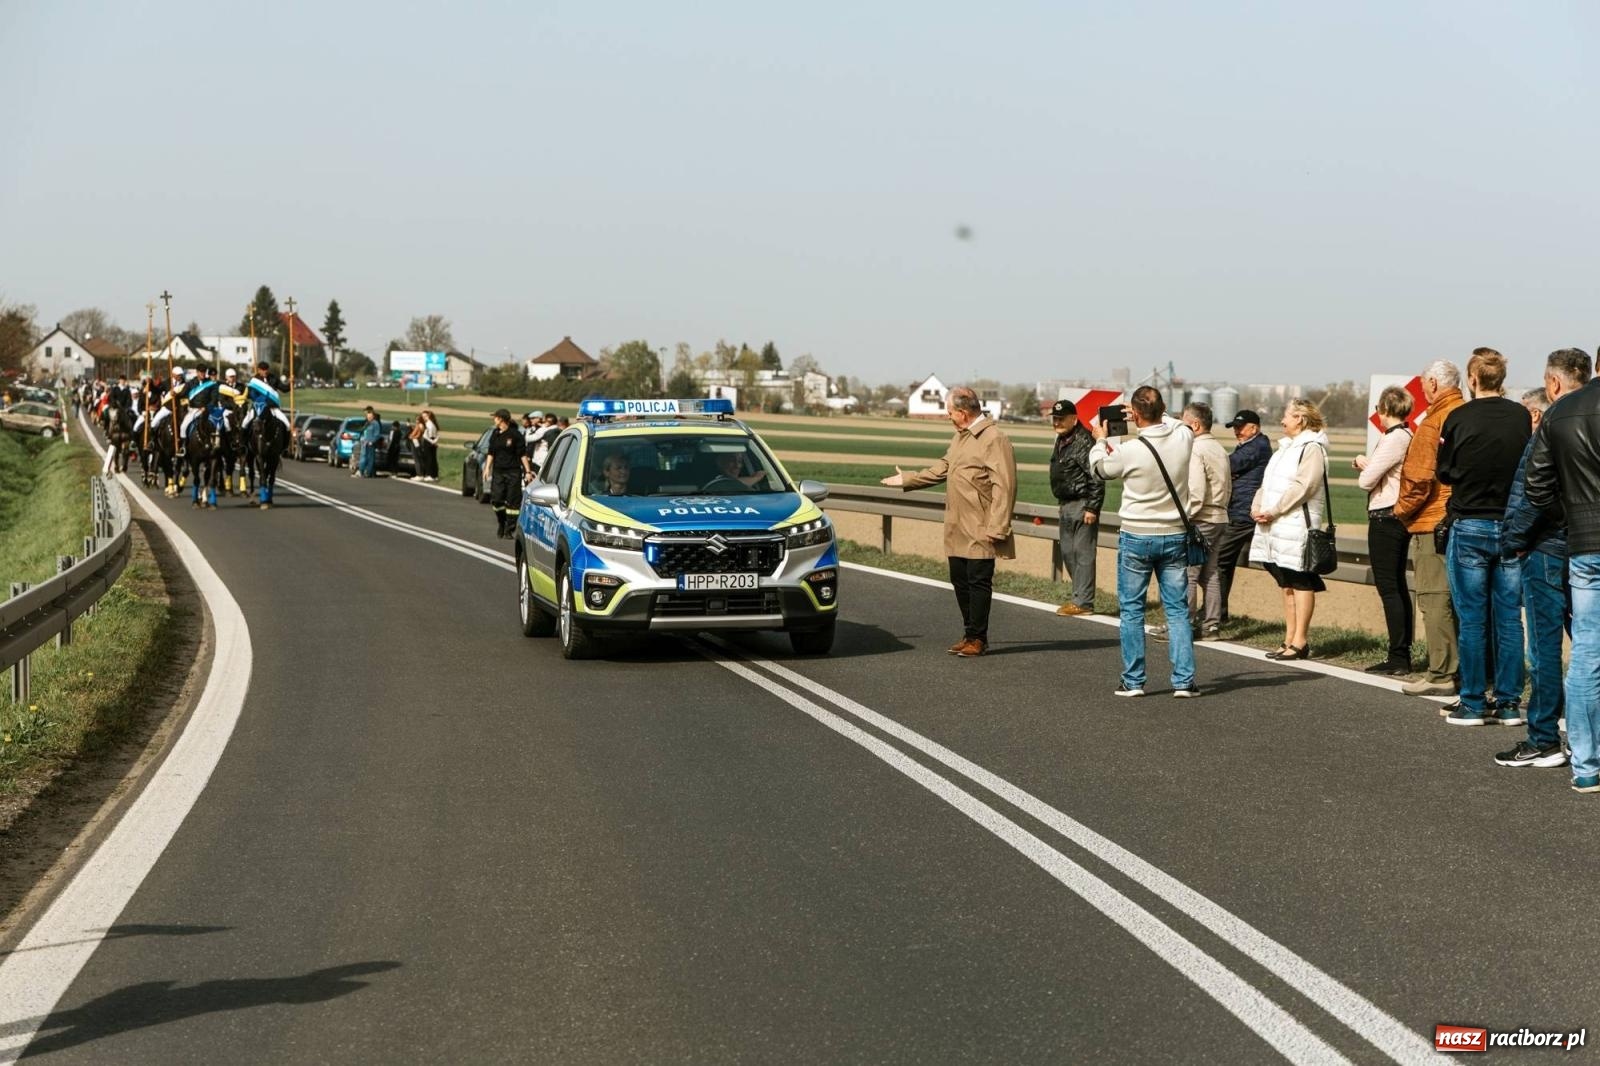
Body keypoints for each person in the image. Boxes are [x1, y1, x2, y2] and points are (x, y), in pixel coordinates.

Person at [881, 386, 1017, 658]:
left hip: (981, 525)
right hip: (957, 525)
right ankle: (969, 634)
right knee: (959, 580)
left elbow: (1005, 485)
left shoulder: (994, 439)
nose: (948, 416)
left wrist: (998, 526)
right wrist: (908, 479)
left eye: (950, 412)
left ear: (963, 413)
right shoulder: (960, 437)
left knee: (978, 582)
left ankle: (978, 638)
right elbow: (942, 468)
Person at [1435, 348, 1531, 727]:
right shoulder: (1520, 416)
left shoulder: (1458, 417)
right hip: (1511, 525)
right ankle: (1508, 703)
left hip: (1470, 522)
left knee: (1472, 618)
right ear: (1501, 379)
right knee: (1509, 620)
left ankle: (1473, 701)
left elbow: (1444, 471)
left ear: (1472, 379)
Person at [1502, 360, 1588, 769]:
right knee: (1588, 647)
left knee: (1544, 647)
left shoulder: (1554, 422)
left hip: (1548, 547)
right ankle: (1585, 738)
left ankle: (1543, 738)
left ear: (1553, 382)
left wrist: (1516, 540)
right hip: (1587, 547)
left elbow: (1533, 488)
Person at [1088, 385, 1199, 697]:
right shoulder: (1183, 438)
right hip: (1175, 534)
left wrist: (1100, 440)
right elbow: (1179, 423)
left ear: (1134, 415)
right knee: (1177, 610)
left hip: (1136, 534)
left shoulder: (1130, 450)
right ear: (1162, 409)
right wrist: (1153, 410)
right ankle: (1184, 681)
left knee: (1132, 610)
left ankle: (1134, 681)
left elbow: (1099, 469)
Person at [1524, 349, 1600, 791]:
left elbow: (1536, 486)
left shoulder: (1562, 410)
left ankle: (1586, 767)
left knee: (1587, 653)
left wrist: (1570, 515)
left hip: (1584, 545)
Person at [1394, 360, 1466, 697]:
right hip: (1467, 518)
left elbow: (1418, 478)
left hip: (1433, 521)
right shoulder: (1466, 413)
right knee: (1463, 600)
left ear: (1434, 384)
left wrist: (1401, 511)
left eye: (1424, 384)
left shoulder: (1434, 420)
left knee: (1434, 597)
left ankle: (1440, 673)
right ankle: (1467, 671)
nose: (1423, 389)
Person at [1247, 399, 1331, 661]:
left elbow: (1304, 487)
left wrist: (1274, 510)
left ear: (1300, 419)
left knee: (1300, 580)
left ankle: (1300, 640)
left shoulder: (1312, 448)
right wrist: (1257, 506)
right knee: (1285, 582)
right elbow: (1267, 484)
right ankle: (1289, 638)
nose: (1282, 420)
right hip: (1276, 524)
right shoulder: (1284, 448)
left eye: (1287, 415)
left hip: (1296, 524)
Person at [1353, 385, 1415, 675]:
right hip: (1396, 516)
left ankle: (1398, 656)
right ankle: (1401, 652)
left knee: (1389, 586)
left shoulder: (1394, 438)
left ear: (1383, 410)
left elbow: (1366, 481)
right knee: (1397, 585)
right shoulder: (1406, 435)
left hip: (1386, 516)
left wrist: (1362, 464)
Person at [1215, 410, 1271, 624]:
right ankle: (1217, 613)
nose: (1236, 431)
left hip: (1243, 513)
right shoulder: (1251, 445)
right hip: (1241, 511)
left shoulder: (1256, 447)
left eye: (1240, 427)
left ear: (1254, 428)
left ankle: (1214, 613)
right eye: (1235, 427)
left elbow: (1227, 465)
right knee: (1224, 562)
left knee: (1219, 560)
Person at [1047, 398, 1103, 617]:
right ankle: (1079, 596)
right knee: (1068, 553)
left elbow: (1096, 476)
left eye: (1061, 419)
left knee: (1083, 554)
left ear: (1074, 419)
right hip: (1066, 504)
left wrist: (1092, 507)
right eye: (1055, 418)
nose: (1057, 422)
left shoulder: (1084, 441)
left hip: (1082, 504)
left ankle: (1084, 602)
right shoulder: (1062, 439)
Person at [1181, 401, 1230, 640]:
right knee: (1210, 574)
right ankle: (1211, 625)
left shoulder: (1195, 449)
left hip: (1201, 519)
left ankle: (1183, 624)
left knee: (1188, 573)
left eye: (1184, 424)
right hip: (1220, 516)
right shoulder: (1220, 449)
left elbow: (1196, 492)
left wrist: (1185, 517)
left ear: (1195, 425)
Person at [483, 408, 532, 538]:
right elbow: (491, 452)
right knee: (497, 499)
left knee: (513, 502)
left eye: (495, 417)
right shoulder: (495, 434)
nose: (493, 419)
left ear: (501, 419)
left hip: (513, 472)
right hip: (498, 472)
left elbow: (522, 455)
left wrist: (527, 471)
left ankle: (509, 529)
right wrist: (487, 468)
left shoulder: (515, 435)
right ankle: (502, 522)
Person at [415, 409, 441, 481]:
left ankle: (430, 475)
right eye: (423, 416)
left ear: (429, 416)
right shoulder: (433, 424)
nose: (424, 418)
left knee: (429, 459)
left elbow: (425, 436)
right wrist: (435, 441)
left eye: (425, 416)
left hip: (428, 441)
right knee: (433, 459)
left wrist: (432, 441)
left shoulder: (428, 424)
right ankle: (435, 475)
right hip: (432, 440)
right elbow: (437, 435)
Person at [357, 406, 383, 478]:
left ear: (373, 416)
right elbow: (363, 431)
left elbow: (377, 434)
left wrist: (372, 441)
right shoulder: (367, 423)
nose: (368, 417)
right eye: (367, 416)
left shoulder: (375, 423)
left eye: (370, 416)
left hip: (371, 444)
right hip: (365, 443)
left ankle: (368, 472)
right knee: (364, 458)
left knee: (370, 458)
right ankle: (362, 471)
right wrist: (362, 439)